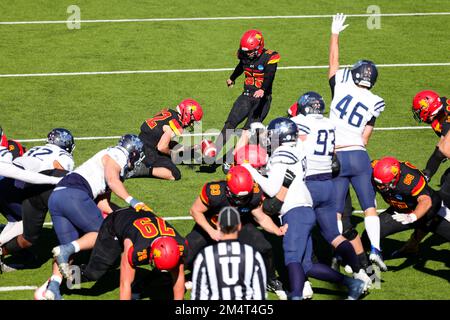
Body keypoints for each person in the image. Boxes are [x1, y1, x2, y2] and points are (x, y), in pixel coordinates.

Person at [242, 117, 365, 300]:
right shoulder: (297, 148)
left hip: (295, 211)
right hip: (305, 208)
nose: (269, 139)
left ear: (280, 136)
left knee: (292, 257)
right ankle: (353, 283)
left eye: (272, 135)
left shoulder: (281, 153)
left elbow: (272, 188)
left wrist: (249, 170)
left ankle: (297, 296)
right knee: (306, 265)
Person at [40, 134, 151, 300]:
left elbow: (102, 204)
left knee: (69, 251)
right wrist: (134, 202)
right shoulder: (118, 154)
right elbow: (113, 181)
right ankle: (66, 253)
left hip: (57, 197)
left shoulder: (110, 159)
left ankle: (53, 289)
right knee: (101, 235)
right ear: (133, 152)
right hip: (74, 193)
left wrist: (126, 214)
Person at [288, 91, 372, 290]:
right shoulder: (328, 123)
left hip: (307, 185)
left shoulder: (300, 122)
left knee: (298, 236)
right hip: (328, 184)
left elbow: (281, 138)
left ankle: (303, 284)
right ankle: (361, 273)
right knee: (335, 235)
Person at [328, 13, 386, 271]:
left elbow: (333, 63)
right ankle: (375, 250)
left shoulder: (341, 85)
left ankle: (341, 254)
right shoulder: (375, 101)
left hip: (338, 154)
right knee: (369, 208)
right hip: (359, 154)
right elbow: (366, 133)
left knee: (338, 212)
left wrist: (335, 34)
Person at [35, 207, 186, 300]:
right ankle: (57, 279)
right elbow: (125, 283)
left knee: (165, 276)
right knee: (94, 273)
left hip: (138, 218)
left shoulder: (178, 247)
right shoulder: (135, 249)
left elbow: (178, 279)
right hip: (115, 224)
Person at [185, 165, 288, 300]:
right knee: (185, 252)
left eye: (246, 197)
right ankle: (182, 277)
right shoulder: (214, 192)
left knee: (265, 248)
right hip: (213, 224)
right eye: (239, 197)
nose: (242, 201)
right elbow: (195, 210)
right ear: (227, 189)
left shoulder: (254, 192)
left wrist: (276, 230)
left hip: (239, 224)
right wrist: (211, 231)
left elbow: (261, 217)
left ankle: (270, 280)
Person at [0, 128, 74, 249]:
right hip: (15, 182)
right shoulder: (62, 155)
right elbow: (61, 173)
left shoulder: (36, 148)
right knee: (27, 223)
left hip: (4, 179)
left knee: (16, 221)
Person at [361, 156, 449, 258]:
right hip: (402, 210)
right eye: (378, 184)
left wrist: (412, 217)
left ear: (396, 177)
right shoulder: (374, 168)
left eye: (383, 184)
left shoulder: (410, 179)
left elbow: (426, 201)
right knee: (372, 231)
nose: (380, 187)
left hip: (430, 211)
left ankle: (412, 245)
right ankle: (359, 259)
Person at [214, 29, 280, 165]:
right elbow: (241, 66)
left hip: (262, 99)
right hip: (246, 95)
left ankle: (233, 159)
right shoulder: (245, 55)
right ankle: (214, 150)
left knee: (247, 130)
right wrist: (232, 78)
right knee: (230, 123)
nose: (247, 54)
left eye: (250, 51)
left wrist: (263, 89)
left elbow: (270, 75)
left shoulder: (269, 56)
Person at [191, 206, 267, 300]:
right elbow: (260, 295)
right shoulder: (252, 255)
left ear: (218, 225)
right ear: (239, 226)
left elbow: (198, 296)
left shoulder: (205, 255)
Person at [126, 99, 203, 180]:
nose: (191, 124)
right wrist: (172, 153)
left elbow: (163, 132)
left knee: (170, 147)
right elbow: (161, 147)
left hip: (138, 141)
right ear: (186, 114)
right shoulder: (175, 125)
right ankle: (140, 170)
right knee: (175, 174)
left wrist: (189, 148)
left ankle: (133, 159)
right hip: (148, 149)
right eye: (192, 120)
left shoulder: (169, 111)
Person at [412, 90, 450, 181]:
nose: (418, 113)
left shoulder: (445, 120)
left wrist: (427, 174)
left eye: (419, 111)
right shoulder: (441, 104)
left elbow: (442, 150)